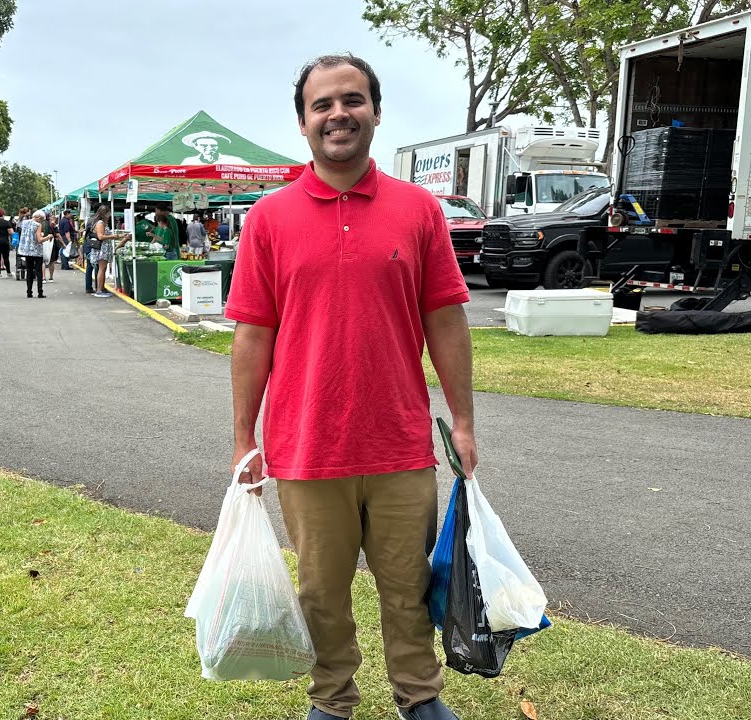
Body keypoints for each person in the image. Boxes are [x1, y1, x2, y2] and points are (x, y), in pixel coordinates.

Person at [225, 54, 476, 720]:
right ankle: (332, 698)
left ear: (376, 111)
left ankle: (418, 697)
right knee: (320, 592)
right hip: (307, 448)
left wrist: (465, 421)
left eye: (353, 100)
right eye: (323, 105)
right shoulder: (269, 220)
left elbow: (446, 319)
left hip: (398, 445)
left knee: (408, 585)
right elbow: (252, 336)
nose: (339, 114)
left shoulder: (418, 210)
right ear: (303, 123)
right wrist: (243, 439)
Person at [87, 204, 127, 297]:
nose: (109, 215)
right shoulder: (100, 223)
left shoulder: (99, 222)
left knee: (103, 269)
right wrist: (115, 236)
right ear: (104, 213)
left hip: (103, 248)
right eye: (108, 213)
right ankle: (99, 289)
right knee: (102, 269)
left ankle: (101, 288)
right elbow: (100, 236)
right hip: (102, 249)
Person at [18, 210, 47, 298]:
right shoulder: (38, 225)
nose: (41, 221)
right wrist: (48, 237)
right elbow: (39, 239)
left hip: (26, 250)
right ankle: (40, 292)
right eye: (41, 219)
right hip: (36, 251)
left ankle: (29, 292)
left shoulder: (24, 223)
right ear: (39, 218)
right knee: (38, 271)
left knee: (29, 271)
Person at [179, 131, 249, 165]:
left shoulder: (233, 161)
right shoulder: (189, 162)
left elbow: (251, 171)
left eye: (213, 146)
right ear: (195, 146)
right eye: (204, 145)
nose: (209, 148)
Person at [42, 212, 58, 283]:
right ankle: (51, 277)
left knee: (43, 261)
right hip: (51, 244)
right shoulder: (52, 224)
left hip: (42, 242)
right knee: (51, 261)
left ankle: (43, 277)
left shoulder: (40, 224)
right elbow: (57, 234)